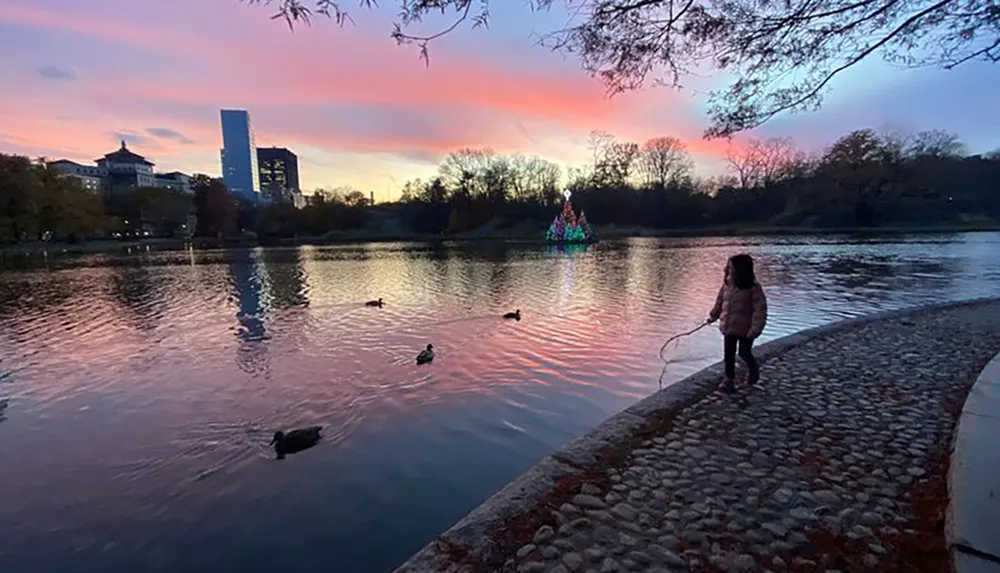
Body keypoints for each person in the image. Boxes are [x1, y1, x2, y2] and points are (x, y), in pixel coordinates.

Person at [708, 254, 767, 393]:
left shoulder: (753, 288)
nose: (729, 269)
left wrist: (755, 329)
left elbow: (760, 310)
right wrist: (713, 316)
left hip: (746, 329)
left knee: (744, 352)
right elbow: (720, 302)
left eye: (732, 266)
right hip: (729, 327)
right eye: (728, 266)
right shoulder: (727, 284)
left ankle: (753, 368)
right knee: (728, 354)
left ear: (741, 269)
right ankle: (729, 380)